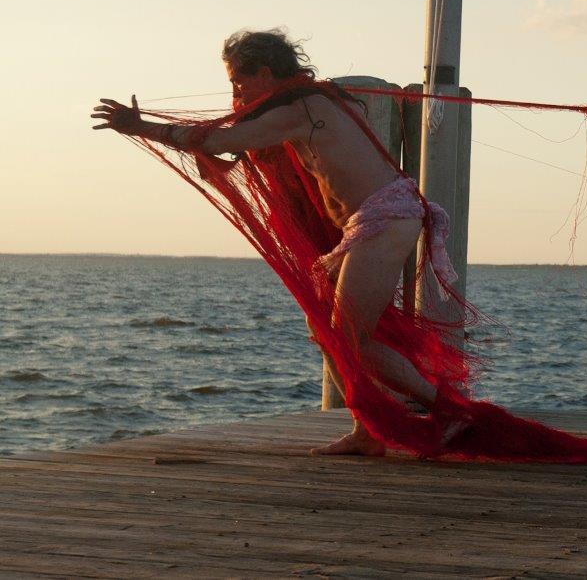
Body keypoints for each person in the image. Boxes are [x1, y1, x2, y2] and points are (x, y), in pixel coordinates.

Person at [91, 29, 464, 456]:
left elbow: (217, 141)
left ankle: (448, 410)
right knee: (324, 328)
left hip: (388, 215)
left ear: (265, 73)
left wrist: (141, 127)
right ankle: (368, 429)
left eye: (238, 81)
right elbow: (233, 148)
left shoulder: (303, 107)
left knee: (347, 334)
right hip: (365, 226)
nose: (235, 91)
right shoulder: (296, 103)